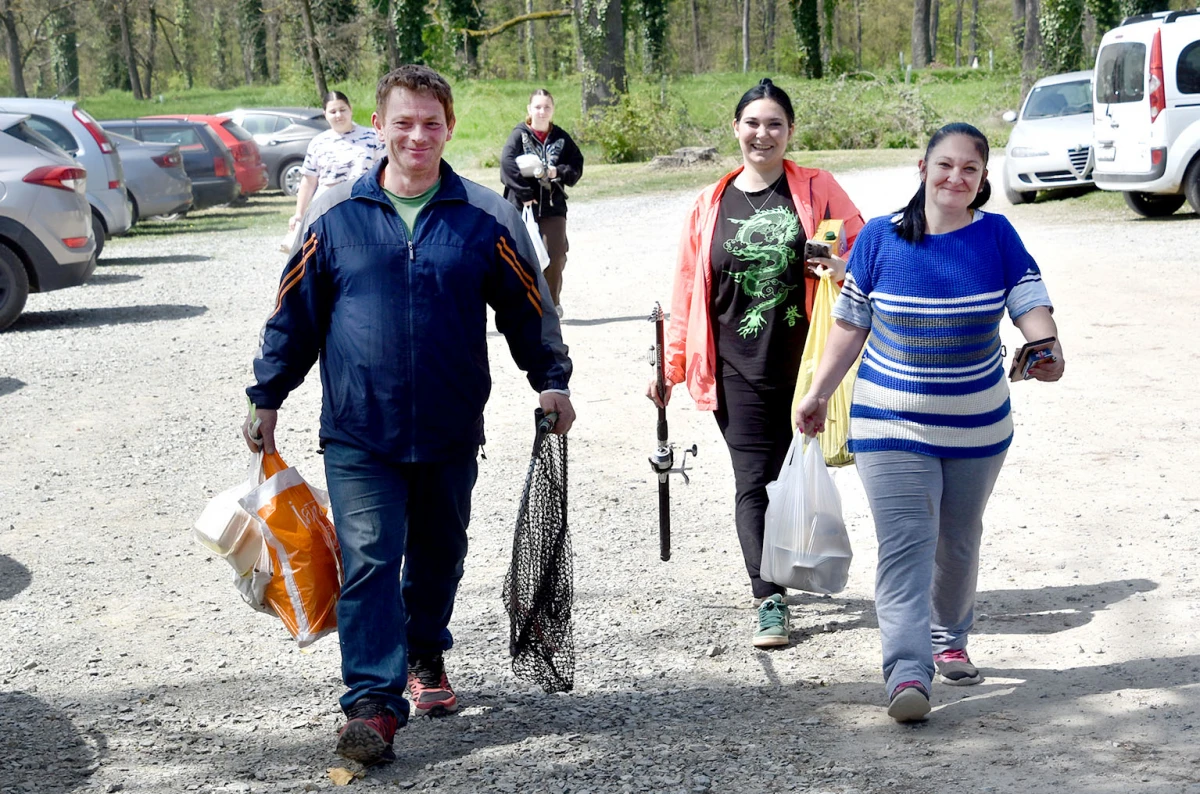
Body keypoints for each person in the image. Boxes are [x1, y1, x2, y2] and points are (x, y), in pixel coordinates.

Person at [242, 64, 575, 765]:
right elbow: (293, 315)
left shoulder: (486, 216)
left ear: (449, 127)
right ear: (378, 124)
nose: (417, 135)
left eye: (431, 122)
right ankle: (371, 707)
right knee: (368, 561)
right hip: (360, 431)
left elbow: (528, 308)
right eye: (404, 122)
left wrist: (550, 379)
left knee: (437, 557)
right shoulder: (334, 215)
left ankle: (425, 650)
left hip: (451, 427)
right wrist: (267, 394)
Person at [794, 123, 1065, 723]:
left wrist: (1045, 348)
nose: (955, 178)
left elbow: (1029, 301)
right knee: (907, 543)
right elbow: (850, 324)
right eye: (945, 165)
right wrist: (817, 394)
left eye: (970, 169)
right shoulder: (882, 240)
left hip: (977, 426)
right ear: (923, 167)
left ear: (982, 178)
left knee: (958, 538)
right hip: (889, 420)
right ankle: (907, 670)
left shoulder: (995, 235)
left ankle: (949, 637)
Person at [646, 78, 864, 649]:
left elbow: (867, 251)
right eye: (752, 123)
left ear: (790, 131)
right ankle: (768, 597)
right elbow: (688, 288)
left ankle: (804, 564)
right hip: (734, 364)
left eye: (774, 124)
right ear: (736, 129)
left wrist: (839, 265)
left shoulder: (817, 188)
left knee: (799, 468)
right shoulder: (709, 204)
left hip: (806, 360)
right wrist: (671, 369)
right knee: (754, 481)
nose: (762, 134)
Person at [499, 89, 584, 318]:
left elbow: (576, 165)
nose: (542, 111)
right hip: (521, 206)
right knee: (520, 256)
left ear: (553, 110)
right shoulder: (519, 135)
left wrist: (558, 171)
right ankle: (524, 302)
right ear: (529, 109)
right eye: (537, 106)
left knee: (555, 255)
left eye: (546, 107)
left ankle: (551, 303)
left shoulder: (561, 138)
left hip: (552, 205)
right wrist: (525, 192)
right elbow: (506, 165)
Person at [288, 91, 385, 234]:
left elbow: (386, 173)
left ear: (350, 109)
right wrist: (299, 214)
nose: (338, 115)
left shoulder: (372, 137)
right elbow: (308, 181)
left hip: (364, 209)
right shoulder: (318, 143)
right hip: (326, 211)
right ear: (325, 114)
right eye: (333, 111)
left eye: (342, 110)